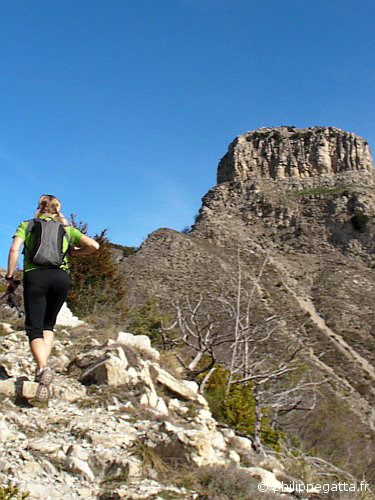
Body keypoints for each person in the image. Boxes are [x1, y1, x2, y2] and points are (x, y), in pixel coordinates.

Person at [5, 194, 99, 402]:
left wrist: (10, 278)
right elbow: (94, 246)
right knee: (48, 326)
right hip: (60, 277)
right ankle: (42, 372)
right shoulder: (66, 229)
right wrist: (74, 253)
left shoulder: (27, 225)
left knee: (34, 327)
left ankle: (42, 367)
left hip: (35, 276)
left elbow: (14, 249)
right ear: (57, 209)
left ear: (39, 207)